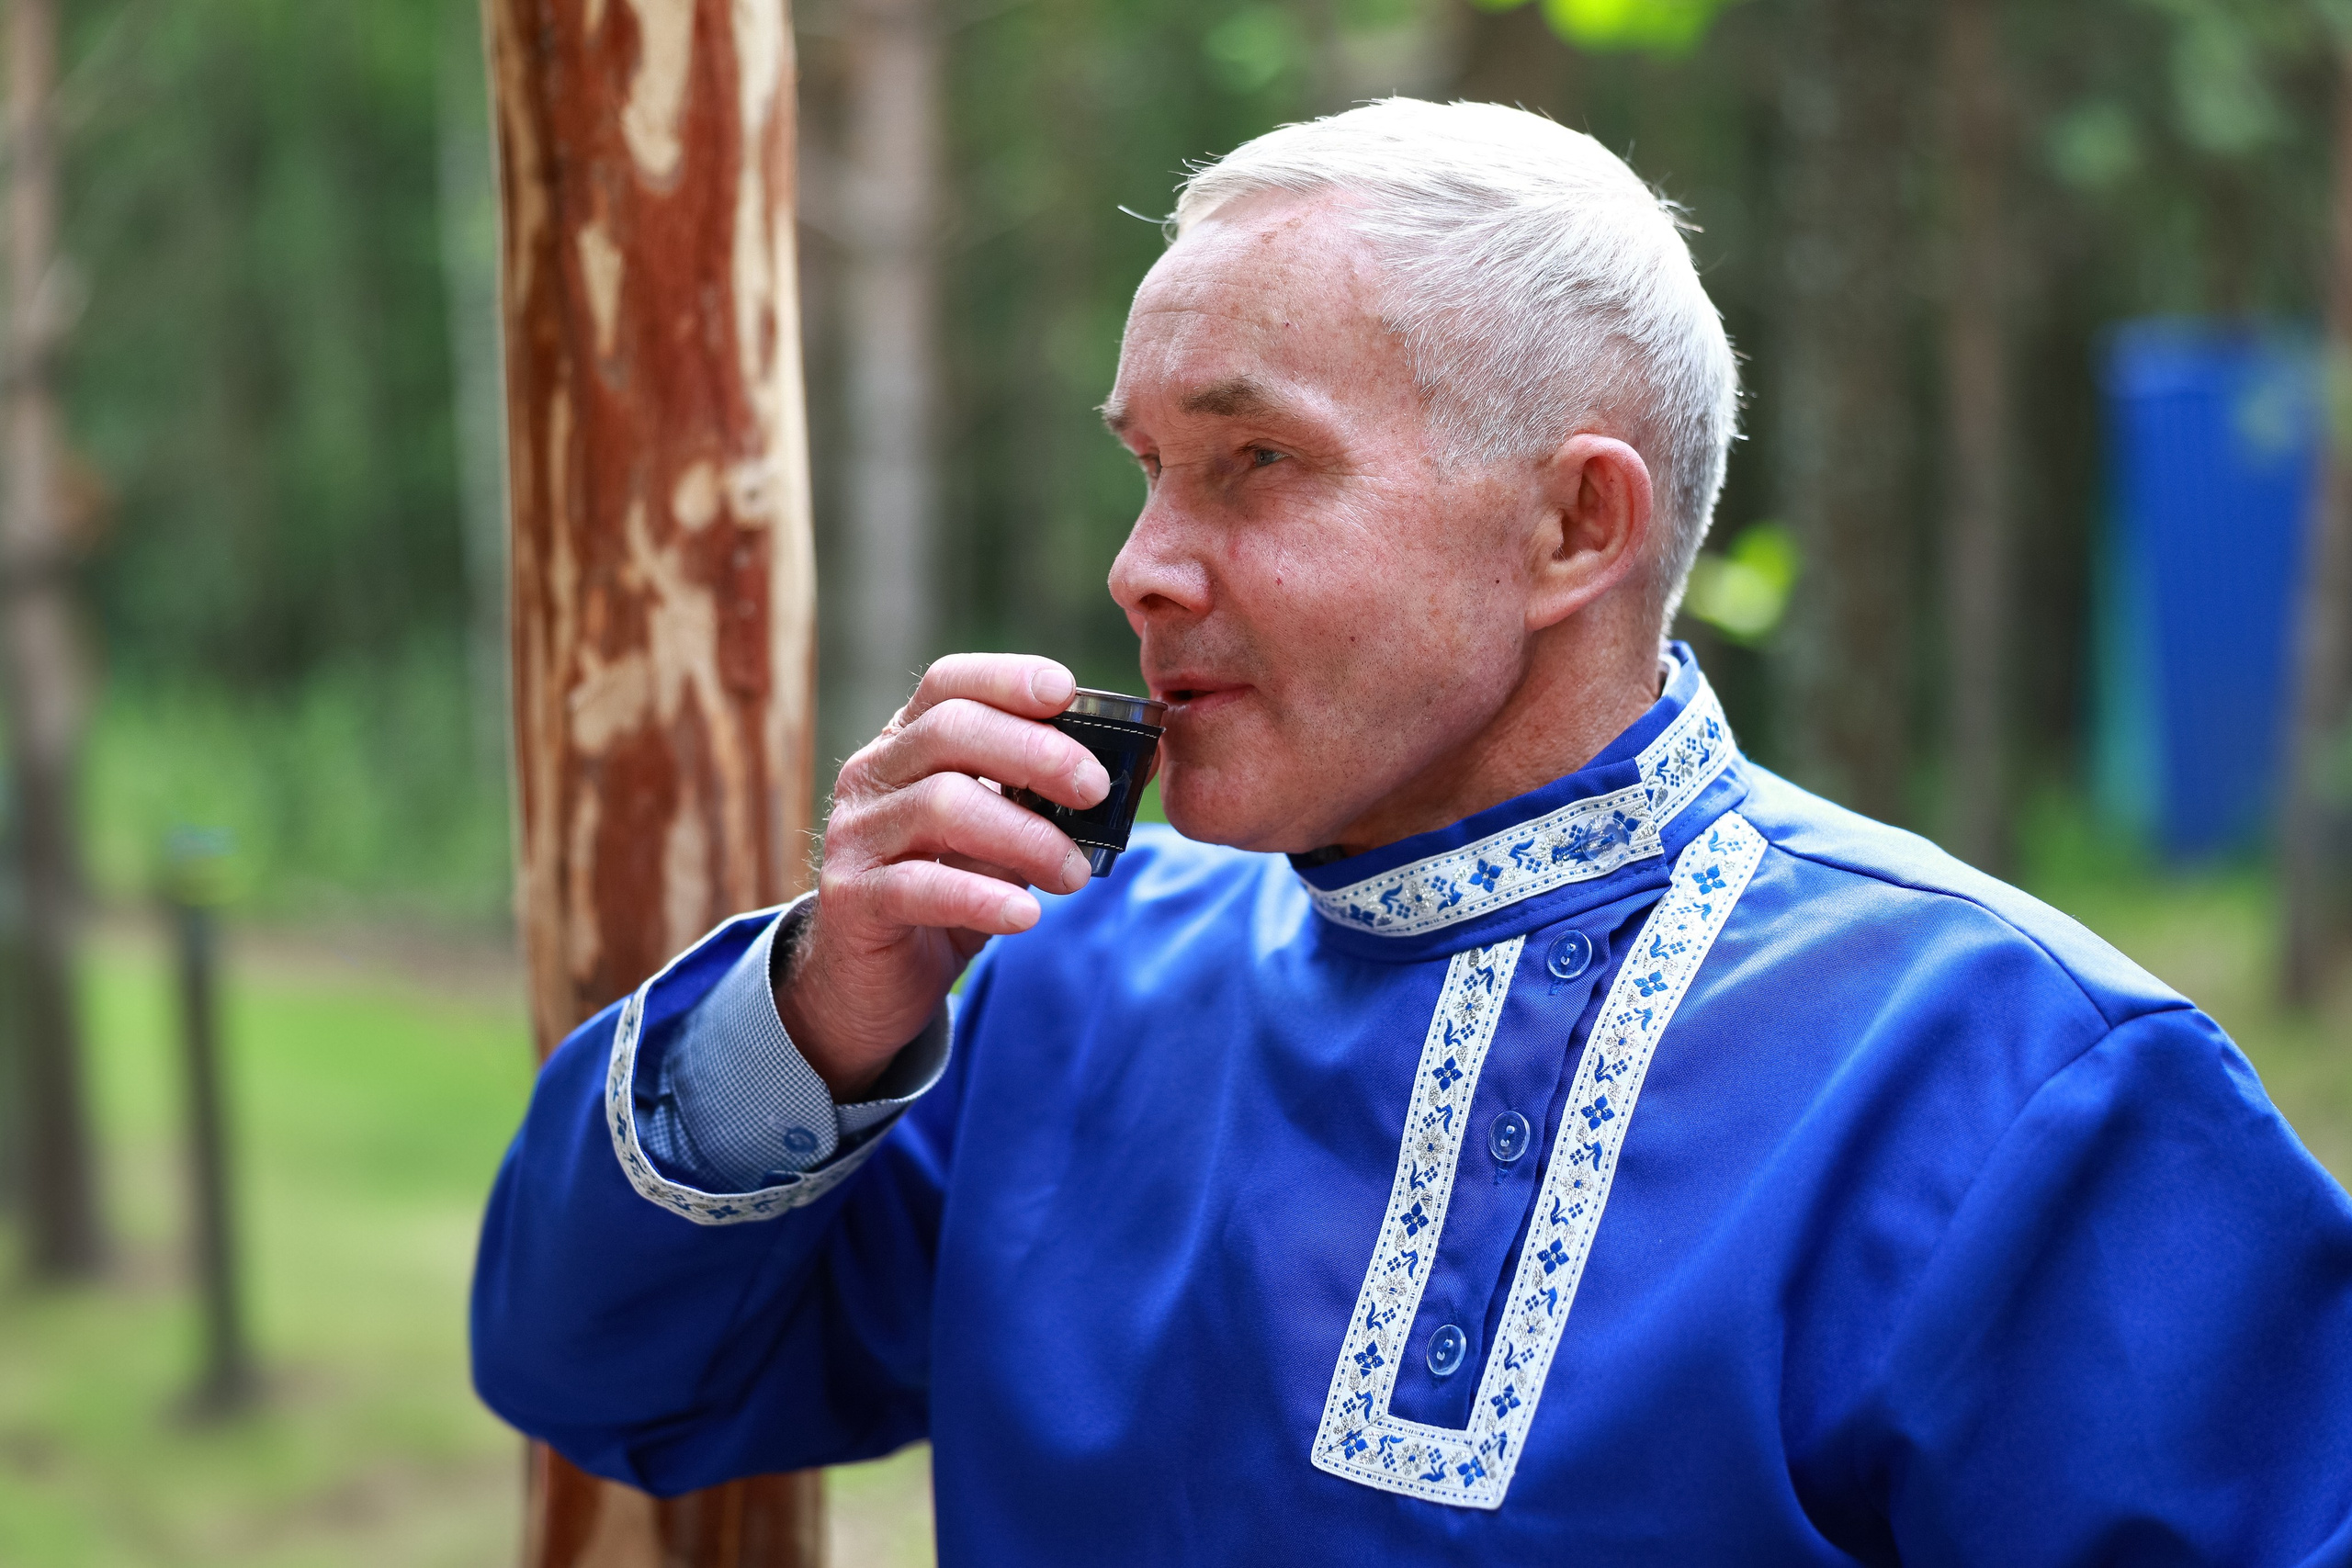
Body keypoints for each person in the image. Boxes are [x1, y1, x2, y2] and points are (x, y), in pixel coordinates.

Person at [471, 99, 2352, 1563]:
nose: (1138, 566)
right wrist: (811, 1007)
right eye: (1143, 467)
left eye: (1254, 461)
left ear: (1569, 529)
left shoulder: (2018, 1082)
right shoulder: (1054, 985)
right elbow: (595, 1371)